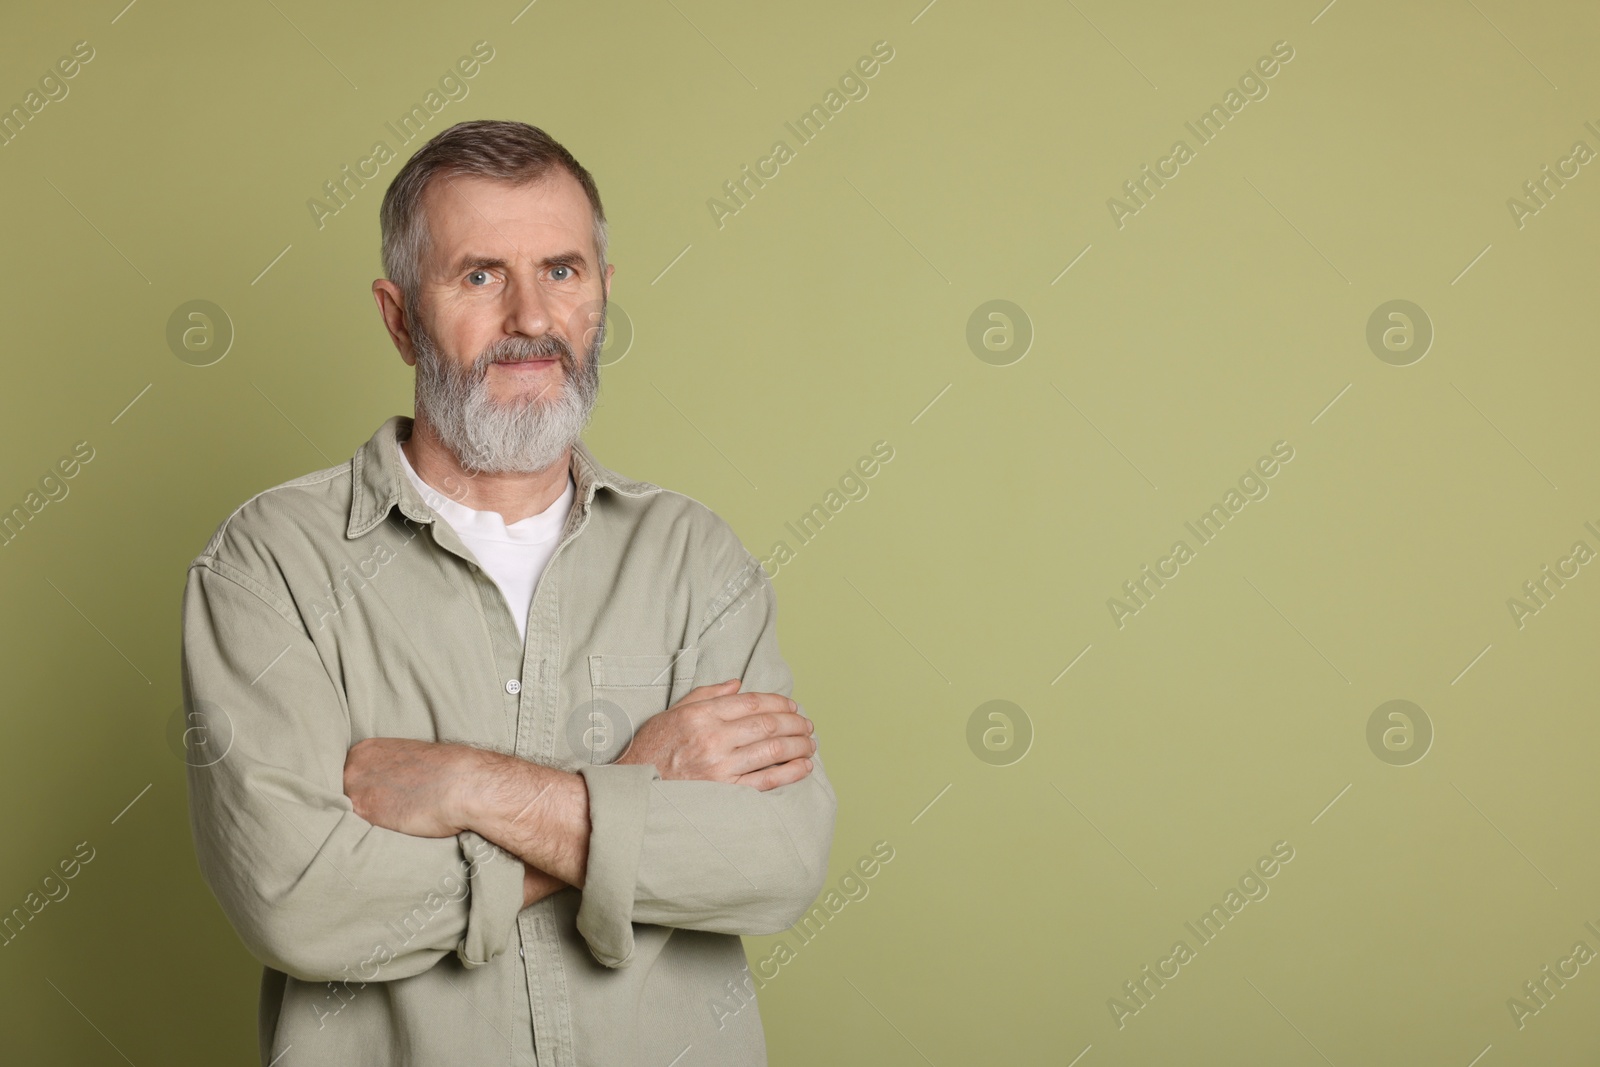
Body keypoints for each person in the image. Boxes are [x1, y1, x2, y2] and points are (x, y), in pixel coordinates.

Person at [179, 119, 836, 1067]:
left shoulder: (696, 558)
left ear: (602, 292)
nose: (531, 317)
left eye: (562, 271)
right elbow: (303, 904)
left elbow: (774, 863)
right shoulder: (269, 563)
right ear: (399, 313)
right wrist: (636, 800)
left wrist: (463, 784)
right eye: (481, 275)